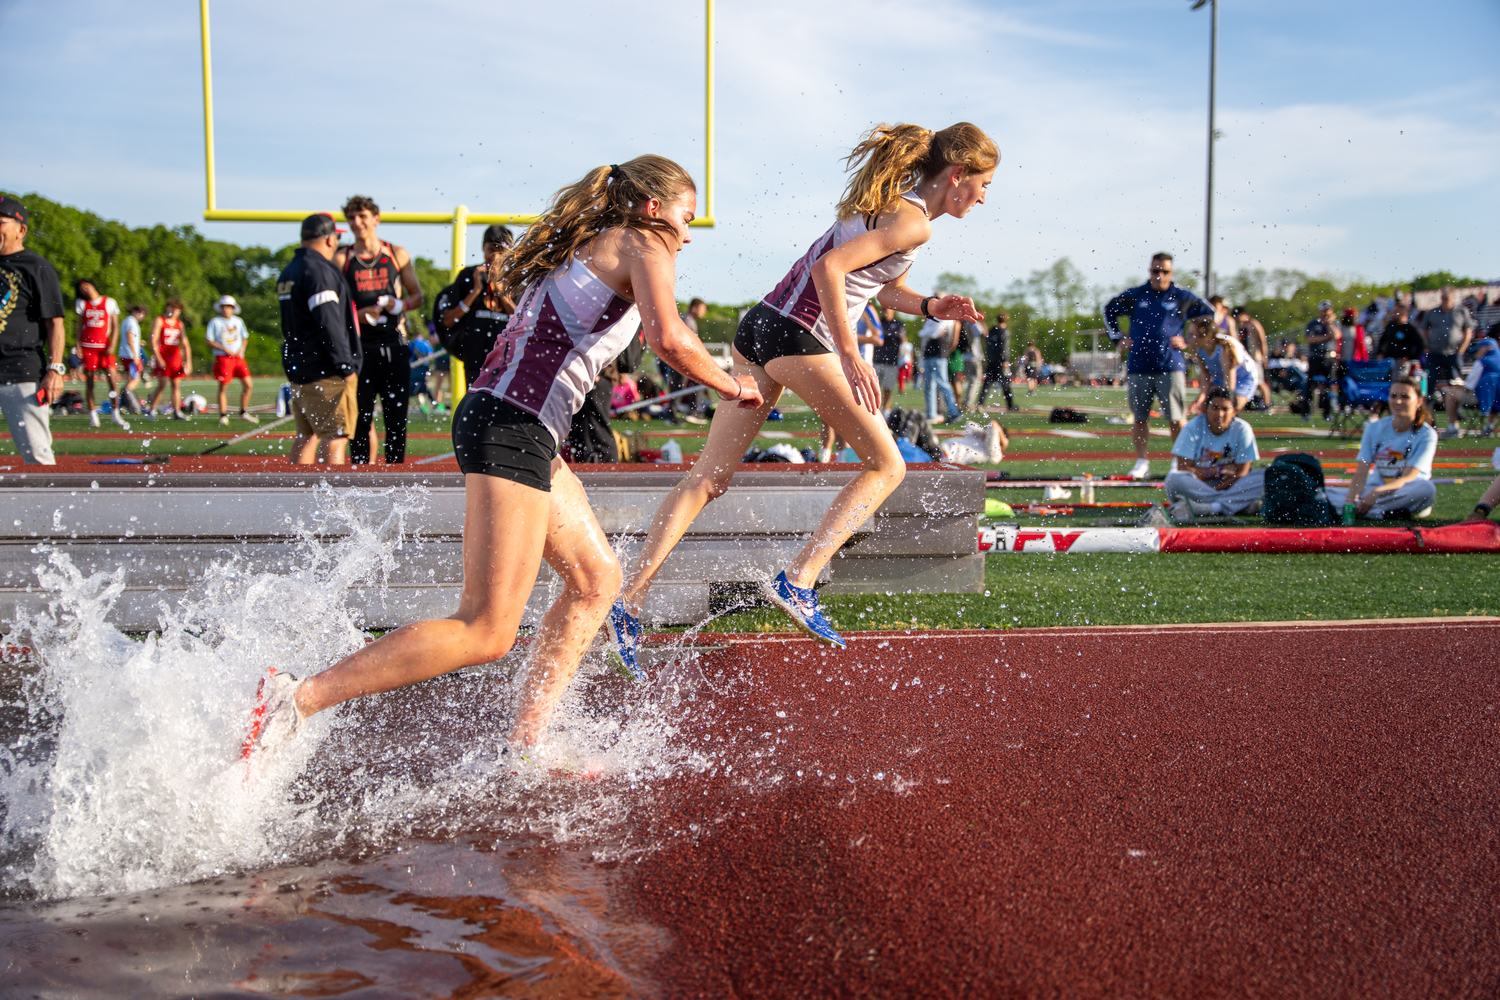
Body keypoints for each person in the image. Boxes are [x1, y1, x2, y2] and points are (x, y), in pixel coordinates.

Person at [242, 155, 758, 762]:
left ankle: (530, 741)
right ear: (652, 207)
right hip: (513, 424)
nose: (689, 232)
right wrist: (734, 387)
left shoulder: (594, 241)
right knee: (486, 629)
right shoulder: (647, 242)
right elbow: (670, 337)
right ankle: (295, 699)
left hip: (514, 422)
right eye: (686, 215)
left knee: (597, 583)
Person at [610, 122, 995, 669]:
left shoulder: (887, 204)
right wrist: (850, 351)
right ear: (957, 175)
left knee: (709, 478)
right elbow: (829, 268)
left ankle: (628, 601)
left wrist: (932, 306)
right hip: (802, 335)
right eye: (983, 184)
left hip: (761, 326)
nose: (983, 197)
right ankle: (799, 580)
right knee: (888, 466)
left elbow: (881, 287)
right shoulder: (913, 221)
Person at [1103, 253, 1212, 478]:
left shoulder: (1182, 296)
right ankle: (1142, 461)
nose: (1159, 275)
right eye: (1155, 271)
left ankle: (1179, 462)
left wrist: (1191, 340)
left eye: (1164, 271)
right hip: (1139, 364)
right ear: (1149, 271)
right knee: (1140, 417)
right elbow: (1109, 309)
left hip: (1170, 364)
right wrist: (1117, 338)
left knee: (1176, 417)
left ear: (1171, 273)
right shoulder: (1136, 294)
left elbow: (1210, 315)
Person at [337, 195, 424, 465]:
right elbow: (334, 305)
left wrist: (399, 304)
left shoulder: (395, 254)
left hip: (394, 345)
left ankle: (395, 475)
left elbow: (417, 297)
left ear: (376, 219)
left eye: (362, 216)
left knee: (396, 418)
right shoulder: (343, 258)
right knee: (360, 419)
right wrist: (358, 315)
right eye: (351, 218)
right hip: (360, 347)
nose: (357, 222)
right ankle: (361, 476)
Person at [278, 213, 361, 465]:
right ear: (327, 239)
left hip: (300, 365)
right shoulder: (319, 270)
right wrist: (345, 366)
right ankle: (330, 503)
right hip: (325, 369)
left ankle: (295, 497)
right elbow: (329, 323)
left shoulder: (290, 270)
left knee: (306, 436)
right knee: (335, 437)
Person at [0, 196, 66, 465]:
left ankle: (49, 508)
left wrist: (55, 369)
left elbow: (55, 323)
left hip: (19, 370)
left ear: (21, 229)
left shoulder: (36, 267)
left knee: (36, 454)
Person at [1325, 376, 1438, 520]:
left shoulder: (1426, 434)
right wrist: (1350, 501)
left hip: (1402, 490)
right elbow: (1361, 473)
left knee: (1426, 489)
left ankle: (1365, 511)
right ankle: (1382, 513)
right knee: (1323, 492)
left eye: (1405, 397)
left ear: (1419, 402)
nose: (1398, 401)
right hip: (1374, 488)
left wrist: (1376, 493)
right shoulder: (1374, 428)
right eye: (1393, 396)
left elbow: (1408, 478)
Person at [435, 225, 516, 391]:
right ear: (482, 247)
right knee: (474, 409)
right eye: (491, 250)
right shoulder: (468, 276)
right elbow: (448, 321)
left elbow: (523, 319)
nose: (495, 257)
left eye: (502, 252)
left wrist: (501, 290)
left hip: (509, 359)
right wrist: (475, 291)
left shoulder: (516, 278)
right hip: (475, 357)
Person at [1164, 386, 1263, 518]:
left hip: (1231, 484)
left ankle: (1209, 507)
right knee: (1174, 480)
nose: (1220, 414)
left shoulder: (1242, 429)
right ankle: (1232, 504)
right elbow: (1184, 469)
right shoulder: (1192, 427)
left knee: (1265, 476)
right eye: (1215, 408)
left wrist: (1218, 487)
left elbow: (1242, 472)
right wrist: (1219, 470)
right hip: (1198, 486)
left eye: (1225, 409)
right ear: (1206, 409)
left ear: (1234, 411)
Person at [73, 279, 129, 429]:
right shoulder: (82, 304)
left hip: (105, 347)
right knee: (90, 383)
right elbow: (80, 325)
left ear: (92, 285)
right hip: (88, 347)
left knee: (112, 380)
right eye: (81, 288)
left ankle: (116, 414)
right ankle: (93, 416)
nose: (85, 289)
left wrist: (113, 345)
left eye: (86, 285)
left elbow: (115, 327)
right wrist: (78, 344)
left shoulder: (109, 302)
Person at [1186, 315, 1261, 413]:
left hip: (1244, 378)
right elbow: (1205, 373)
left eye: (1193, 335)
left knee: (1229, 409)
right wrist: (1201, 397)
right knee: (1205, 408)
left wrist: (1227, 401)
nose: (1188, 338)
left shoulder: (1224, 347)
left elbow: (1229, 381)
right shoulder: (1199, 347)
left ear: (1207, 336)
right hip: (1220, 378)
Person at [204, 294, 257, 426]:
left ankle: (243, 412)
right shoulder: (215, 322)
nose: (226, 309)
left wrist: (242, 349)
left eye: (229, 307)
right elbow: (208, 340)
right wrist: (224, 348)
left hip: (238, 358)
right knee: (223, 387)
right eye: (224, 306)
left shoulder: (238, 321)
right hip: (223, 357)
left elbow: (245, 337)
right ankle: (223, 415)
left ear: (233, 308)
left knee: (248, 384)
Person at [1417, 285, 1474, 402]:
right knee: (1430, 382)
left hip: (1453, 353)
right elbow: (1423, 329)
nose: (1443, 300)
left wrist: (1461, 349)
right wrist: (1427, 345)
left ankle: (1457, 410)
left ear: (1453, 297)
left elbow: (1468, 330)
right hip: (1435, 354)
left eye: (1446, 298)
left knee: (1455, 382)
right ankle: (1428, 408)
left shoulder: (1461, 311)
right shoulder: (1432, 312)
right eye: (1442, 297)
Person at [1442, 331, 1500, 438]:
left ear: (1487, 348)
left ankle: (1452, 429)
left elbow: (1468, 387)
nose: (1476, 354)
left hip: (1482, 399)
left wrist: (1458, 384)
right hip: (1497, 401)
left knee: (1450, 392)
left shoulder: (1482, 362)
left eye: (1478, 350)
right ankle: (1489, 426)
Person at [146, 299, 192, 420]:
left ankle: (176, 411)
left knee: (176, 385)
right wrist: (158, 357)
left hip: (175, 357)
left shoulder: (179, 324)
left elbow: (185, 343)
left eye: (177, 310)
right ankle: (152, 410)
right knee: (162, 384)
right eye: (172, 308)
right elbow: (153, 340)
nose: (174, 311)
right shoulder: (160, 320)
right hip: (163, 355)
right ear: (167, 308)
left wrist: (189, 362)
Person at [1300, 299, 1340, 421]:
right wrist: (1326, 337)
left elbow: (1337, 335)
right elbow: (1310, 339)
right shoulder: (1313, 324)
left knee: (1329, 386)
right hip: (1316, 357)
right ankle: (1306, 412)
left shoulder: (1334, 323)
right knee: (1310, 385)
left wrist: (1329, 323)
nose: (1326, 312)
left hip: (1329, 357)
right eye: (1324, 310)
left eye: (1328, 310)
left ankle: (1327, 413)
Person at [918, 314, 960, 422]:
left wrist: (927, 330)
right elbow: (925, 333)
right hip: (929, 355)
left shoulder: (946, 319)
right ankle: (931, 414)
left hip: (939, 355)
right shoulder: (934, 320)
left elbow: (930, 333)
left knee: (942, 383)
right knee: (928, 386)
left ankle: (953, 412)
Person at [1232, 305, 1273, 413]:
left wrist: (1265, 357)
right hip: (1247, 359)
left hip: (1256, 358)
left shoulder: (1253, 323)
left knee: (1259, 381)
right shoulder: (1242, 326)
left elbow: (1262, 341)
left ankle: (1268, 404)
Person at [978, 310, 1015, 410]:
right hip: (1000, 361)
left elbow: (987, 341)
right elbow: (1004, 348)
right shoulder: (1005, 332)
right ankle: (1010, 404)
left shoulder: (992, 330)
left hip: (991, 360)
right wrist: (1005, 360)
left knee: (987, 383)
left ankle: (980, 403)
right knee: (1005, 383)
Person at [871, 305, 905, 411]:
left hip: (891, 361)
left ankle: (886, 409)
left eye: (886, 309)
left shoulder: (899, 324)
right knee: (874, 388)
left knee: (888, 388)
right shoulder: (878, 322)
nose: (884, 311)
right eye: (883, 309)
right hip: (877, 360)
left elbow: (904, 341)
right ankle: (874, 409)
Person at [1375, 302, 1425, 367]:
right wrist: (1380, 353)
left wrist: (1410, 357)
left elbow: (1421, 344)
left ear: (1404, 314)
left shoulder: (1410, 329)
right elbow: (1382, 341)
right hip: (1388, 360)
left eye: (1396, 312)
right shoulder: (1390, 326)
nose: (1393, 314)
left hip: (1401, 363)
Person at [118, 304, 146, 414]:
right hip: (130, 355)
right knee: (136, 379)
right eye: (141, 314)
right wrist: (135, 356)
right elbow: (130, 338)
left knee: (129, 379)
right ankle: (131, 403)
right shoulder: (131, 322)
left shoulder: (127, 321)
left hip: (125, 354)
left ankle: (123, 403)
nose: (142, 317)